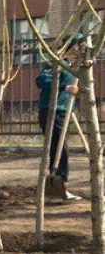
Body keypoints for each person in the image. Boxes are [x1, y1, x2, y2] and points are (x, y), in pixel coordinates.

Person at [37, 63, 80, 201]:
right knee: (59, 149)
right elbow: (42, 81)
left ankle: (57, 187)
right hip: (52, 111)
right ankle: (58, 186)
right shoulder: (57, 63)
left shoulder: (76, 66)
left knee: (59, 148)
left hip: (63, 111)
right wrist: (65, 88)